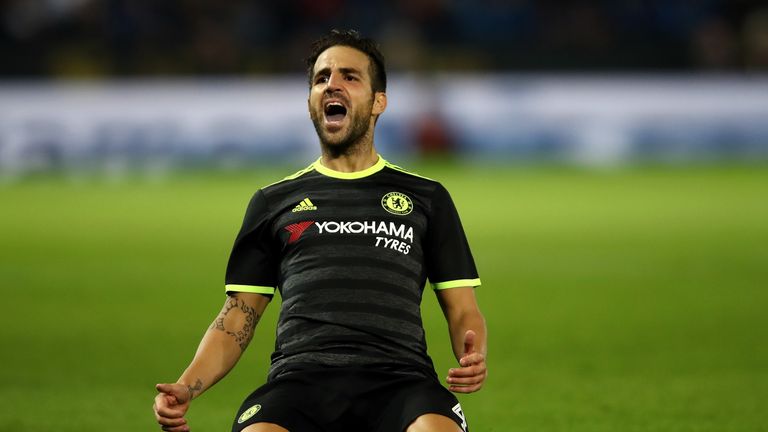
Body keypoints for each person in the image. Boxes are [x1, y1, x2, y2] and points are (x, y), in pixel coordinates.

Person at [153, 29, 487, 432]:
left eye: (350, 76)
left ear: (378, 101)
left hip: (402, 382)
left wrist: (473, 354)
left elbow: (462, 306)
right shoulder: (273, 202)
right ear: (311, 102)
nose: (332, 84)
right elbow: (237, 317)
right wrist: (188, 386)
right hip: (299, 382)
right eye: (321, 78)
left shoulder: (426, 197)